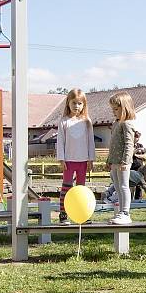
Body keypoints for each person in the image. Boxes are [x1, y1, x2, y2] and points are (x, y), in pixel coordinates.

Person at [56, 89, 95, 224]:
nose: (76, 106)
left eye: (79, 103)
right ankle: (63, 214)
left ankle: (82, 215)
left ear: (84, 105)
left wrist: (91, 159)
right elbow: (60, 141)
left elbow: (91, 141)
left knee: (81, 189)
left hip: (83, 161)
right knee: (66, 186)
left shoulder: (87, 121)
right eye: (73, 103)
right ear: (68, 103)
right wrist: (61, 159)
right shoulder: (63, 121)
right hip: (69, 160)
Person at [107, 91, 136, 225]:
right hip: (114, 161)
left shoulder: (127, 124)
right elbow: (112, 144)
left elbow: (129, 144)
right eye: (112, 109)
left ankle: (125, 212)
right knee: (117, 187)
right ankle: (120, 211)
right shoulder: (115, 123)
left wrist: (125, 161)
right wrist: (109, 161)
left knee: (124, 186)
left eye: (116, 109)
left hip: (123, 162)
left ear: (124, 108)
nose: (114, 112)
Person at [131, 130, 146, 200]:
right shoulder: (129, 145)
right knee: (131, 184)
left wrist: (136, 155)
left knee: (139, 184)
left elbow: (144, 157)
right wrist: (136, 151)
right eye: (136, 137)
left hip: (140, 167)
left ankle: (138, 199)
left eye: (138, 137)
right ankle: (130, 199)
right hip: (131, 167)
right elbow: (130, 154)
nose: (137, 139)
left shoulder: (140, 145)